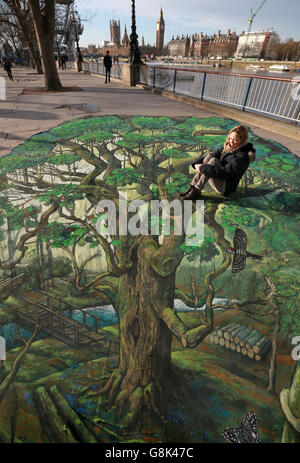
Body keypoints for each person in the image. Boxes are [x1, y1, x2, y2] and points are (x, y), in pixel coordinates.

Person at [180, 125, 256, 200]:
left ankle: (197, 189)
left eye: (235, 140)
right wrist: (196, 164)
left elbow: (226, 173)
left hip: (225, 187)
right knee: (209, 157)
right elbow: (212, 155)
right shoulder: (227, 147)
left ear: (242, 140)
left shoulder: (242, 156)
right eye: (230, 138)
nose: (231, 142)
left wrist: (203, 167)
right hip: (218, 177)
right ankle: (193, 187)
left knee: (213, 161)